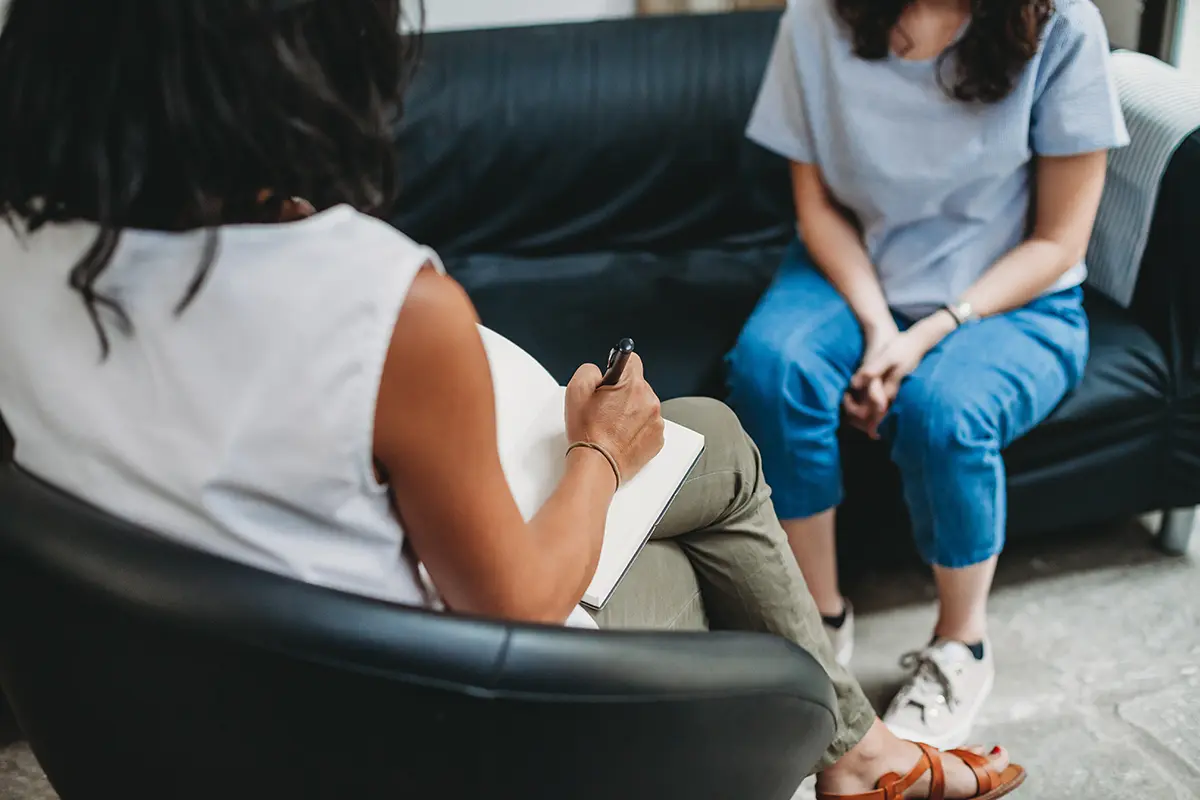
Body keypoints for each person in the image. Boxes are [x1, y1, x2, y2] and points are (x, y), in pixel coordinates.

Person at [0, 1, 1025, 797]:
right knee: (714, 567)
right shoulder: (385, 301)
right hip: (417, 739)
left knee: (707, 433)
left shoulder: (20, 250)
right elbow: (518, 606)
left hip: (172, 710)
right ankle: (847, 743)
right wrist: (602, 451)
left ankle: (857, 751)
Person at [727, 0, 1129, 749]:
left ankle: (962, 645)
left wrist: (929, 336)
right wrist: (881, 326)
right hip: (856, 270)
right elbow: (814, 207)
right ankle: (820, 622)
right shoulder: (816, 18)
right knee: (770, 369)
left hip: (1012, 294)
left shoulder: (1064, 24)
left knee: (942, 411)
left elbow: (1060, 237)